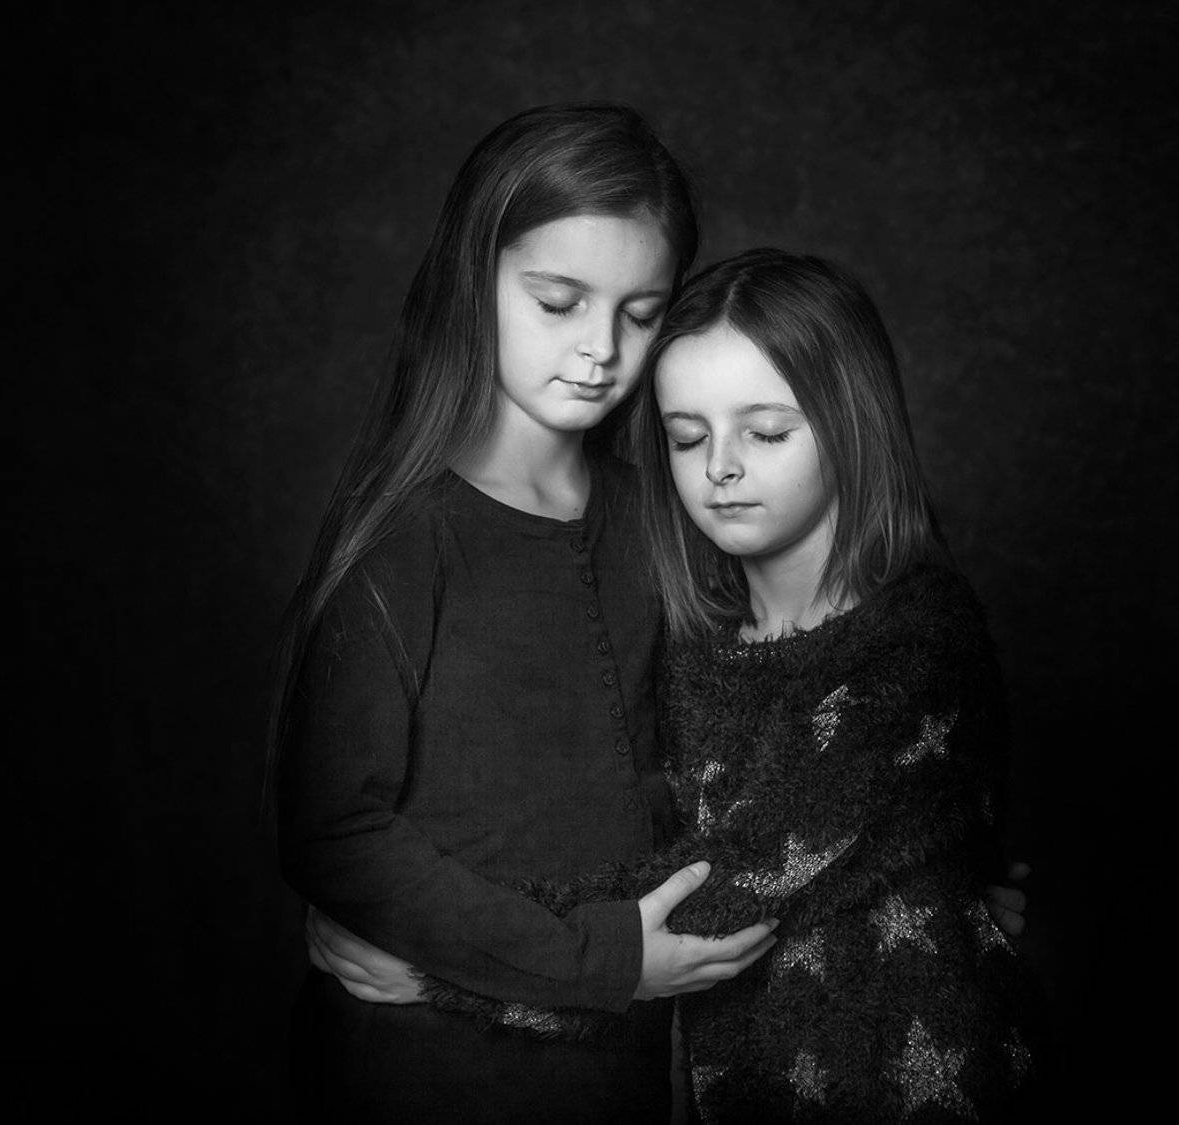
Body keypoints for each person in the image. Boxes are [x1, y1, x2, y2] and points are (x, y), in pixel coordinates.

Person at [310, 249, 1040, 1121]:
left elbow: (718, 898)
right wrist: (413, 909)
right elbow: (626, 826)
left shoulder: (915, 646)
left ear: (852, 424)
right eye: (688, 437)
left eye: (766, 433)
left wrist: (438, 964)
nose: (720, 466)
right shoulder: (695, 627)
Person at [272, 103, 781, 1123]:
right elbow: (334, 830)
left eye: (641, 314)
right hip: (420, 1072)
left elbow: (756, 748)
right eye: (558, 302)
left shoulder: (667, 518)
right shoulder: (403, 538)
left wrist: (922, 874)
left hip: (617, 1073)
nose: (600, 349)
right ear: (476, 280)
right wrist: (595, 960)